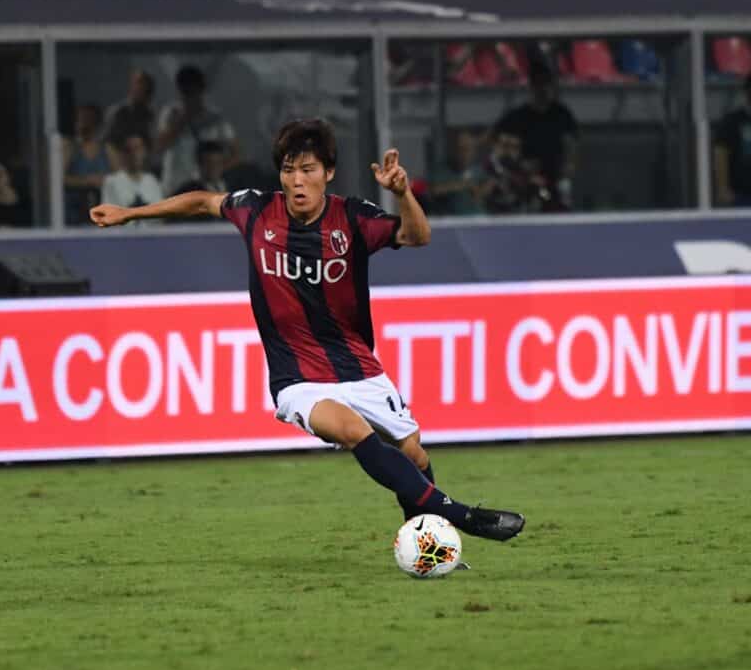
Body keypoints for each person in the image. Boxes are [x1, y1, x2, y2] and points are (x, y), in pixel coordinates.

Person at [90, 118, 525, 546]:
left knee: (413, 453)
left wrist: (402, 193)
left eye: (308, 170)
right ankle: (461, 517)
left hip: (358, 366)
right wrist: (131, 213)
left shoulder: (351, 218)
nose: (296, 181)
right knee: (355, 432)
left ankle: (426, 545)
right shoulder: (257, 210)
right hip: (297, 378)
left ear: (328, 173)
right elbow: (204, 201)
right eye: (288, 170)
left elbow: (418, 235)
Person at [493, 65, 578, 208]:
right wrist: (518, 166)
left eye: (546, 84)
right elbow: (498, 140)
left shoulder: (561, 113)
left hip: (555, 175)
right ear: (532, 87)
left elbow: (573, 142)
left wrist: (570, 164)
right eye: (539, 84)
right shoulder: (518, 115)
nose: (543, 89)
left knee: (558, 209)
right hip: (526, 176)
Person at [155, 66, 239, 197]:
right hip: (175, 187)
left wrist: (215, 169)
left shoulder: (215, 119)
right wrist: (183, 118)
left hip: (207, 190)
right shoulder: (170, 114)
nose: (191, 97)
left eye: (194, 92)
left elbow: (236, 153)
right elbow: (160, 146)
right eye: (186, 93)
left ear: (202, 90)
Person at [64, 104, 115, 225]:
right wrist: (87, 181)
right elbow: (59, 180)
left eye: (88, 120)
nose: (83, 124)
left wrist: (105, 180)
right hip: (74, 212)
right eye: (80, 119)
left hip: (103, 210)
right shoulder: (69, 148)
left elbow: (120, 179)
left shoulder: (107, 149)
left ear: (97, 123)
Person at [100, 133, 164, 212]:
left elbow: (161, 214)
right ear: (123, 154)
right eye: (129, 150)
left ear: (144, 152)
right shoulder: (112, 182)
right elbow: (109, 214)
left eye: (137, 148)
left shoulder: (152, 181)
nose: (134, 154)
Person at [714, 74, 751, 208]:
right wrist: (723, 188)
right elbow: (720, 153)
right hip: (742, 194)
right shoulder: (732, 121)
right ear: (747, 92)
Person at [429, 130, 485, 216]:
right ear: (454, 150)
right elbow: (433, 190)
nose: (464, 153)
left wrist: (481, 191)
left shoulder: (479, 171)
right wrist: (464, 184)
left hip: (478, 220)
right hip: (453, 222)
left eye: (468, 149)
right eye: (460, 148)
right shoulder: (443, 170)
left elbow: (483, 195)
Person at [103, 70, 157, 151]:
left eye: (147, 88)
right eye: (138, 84)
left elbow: (152, 143)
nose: (141, 88)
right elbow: (106, 140)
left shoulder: (150, 114)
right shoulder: (118, 112)